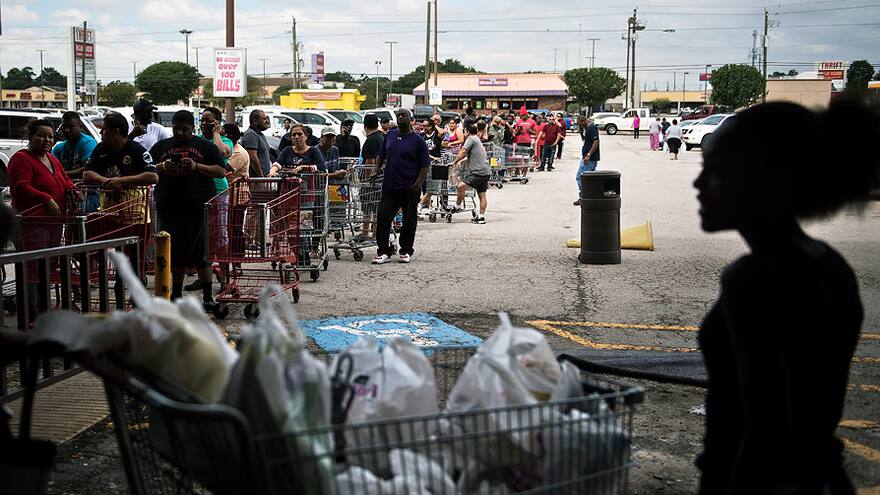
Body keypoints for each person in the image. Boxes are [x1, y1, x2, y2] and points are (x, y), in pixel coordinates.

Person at [693, 100, 879, 494]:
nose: (698, 183)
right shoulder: (829, 264)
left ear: (762, 179)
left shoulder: (755, 279)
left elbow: (766, 431)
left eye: (715, 169)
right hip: (819, 475)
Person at [149, 110, 227, 309]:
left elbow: (220, 171)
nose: (180, 133)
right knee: (175, 252)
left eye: (185, 129)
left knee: (202, 253)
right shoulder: (161, 146)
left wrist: (196, 166)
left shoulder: (206, 147)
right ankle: (175, 294)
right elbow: (148, 169)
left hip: (199, 207)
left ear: (193, 128)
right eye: (177, 129)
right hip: (169, 206)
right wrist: (163, 166)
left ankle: (208, 297)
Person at [372, 108, 429, 264]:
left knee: (409, 220)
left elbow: (425, 166)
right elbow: (380, 155)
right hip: (390, 186)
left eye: (404, 115)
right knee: (383, 218)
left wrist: (417, 185)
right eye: (398, 116)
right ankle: (384, 251)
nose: (400, 117)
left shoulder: (418, 140)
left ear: (410, 119)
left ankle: (405, 250)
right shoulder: (390, 135)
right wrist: (376, 171)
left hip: (409, 188)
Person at [8, 119, 77, 216]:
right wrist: (46, 199)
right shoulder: (21, 159)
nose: (47, 140)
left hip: (54, 219)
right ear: (31, 137)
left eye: (50, 137)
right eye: (41, 136)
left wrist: (73, 189)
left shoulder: (52, 158)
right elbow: (22, 187)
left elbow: (65, 179)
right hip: (32, 219)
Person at [83, 112, 159, 189]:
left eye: (104, 129)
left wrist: (120, 181)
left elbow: (153, 176)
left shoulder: (136, 149)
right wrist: (105, 180)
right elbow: (87, 174)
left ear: (116, 131)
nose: (100, 132)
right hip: (107, 199)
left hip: (133, 199)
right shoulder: (100, 148)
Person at [450, 123, 490, 224]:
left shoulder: (471, 139)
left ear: (467, 131)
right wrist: (461, 161)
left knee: (460, 186)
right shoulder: (476, 139)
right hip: (486, 171)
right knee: (482, 194)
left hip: (478, 171)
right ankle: (481, 217)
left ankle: (457, 206)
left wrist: (454, 162)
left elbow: (463, 151)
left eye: (464, 131)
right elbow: (472, 156)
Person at [355, 114, 383, 242]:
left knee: (368, 207)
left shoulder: (371, 140)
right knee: (375, 208)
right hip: (380, 178)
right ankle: (370, 233)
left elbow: (370, 162)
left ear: (365, 126)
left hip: (372, 180)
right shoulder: (381, 137)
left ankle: (369, 233)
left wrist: (366, 181)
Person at [52, 111, 98, 179]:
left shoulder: (88, 143)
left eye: (71, 127)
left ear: (80, 127)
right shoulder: (59, 148)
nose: (67, 130)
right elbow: (50, 167)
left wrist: (61, 174)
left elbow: (88, 169)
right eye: (64, 127)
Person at [573, 116, 600, 206]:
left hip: (589, 158)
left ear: (584, 121)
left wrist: (588, 155)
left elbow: (595, 142)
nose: (579, 124)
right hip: (587, 157)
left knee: (581, 177)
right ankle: (590, 196)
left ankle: (584, 197)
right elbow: (585, 140)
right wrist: (581, 132)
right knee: (590, 178)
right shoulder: (587, 128)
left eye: (579, 123)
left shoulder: (591, 128)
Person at [241, 110, 270, 176]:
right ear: (255, 121)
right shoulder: (251, 134)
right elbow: (253, 157)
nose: (267, 121)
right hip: (255, 180)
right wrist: (261, 177)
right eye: (264, 119)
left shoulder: (259, 134)